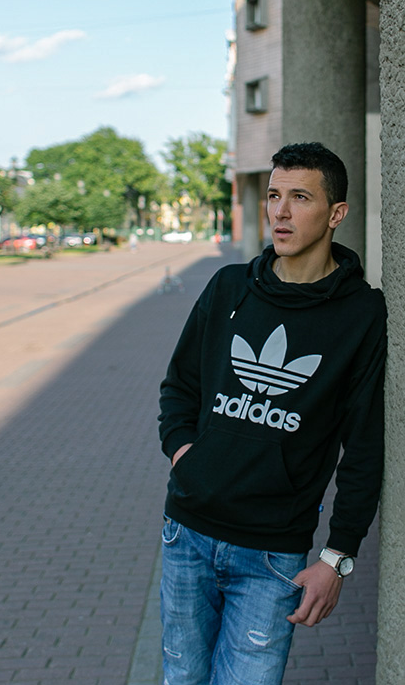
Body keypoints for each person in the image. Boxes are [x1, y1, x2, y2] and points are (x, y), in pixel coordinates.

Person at [157, 142, 387, 684]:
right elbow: (179, 386)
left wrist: (337, 556)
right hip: (187, 532)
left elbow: (365, 444)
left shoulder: (361, 314)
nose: (280, 212)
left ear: (336, 213)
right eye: (274, 195)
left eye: (300, 197)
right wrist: (185, 454)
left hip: (271, 554)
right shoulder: (229, 287)